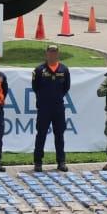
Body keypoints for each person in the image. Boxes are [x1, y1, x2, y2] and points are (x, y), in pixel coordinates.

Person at [31, 44, 71, 172]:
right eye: (50, 52)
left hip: (58, 108)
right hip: (44, 108)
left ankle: (61, 162)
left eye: (54, 52)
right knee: (41, 134)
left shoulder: (64, 69)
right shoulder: (39, 70)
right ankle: (38, 162)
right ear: (46, 54)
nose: (52, 54)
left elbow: (66, 87)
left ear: (58, 54)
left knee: (59, 135)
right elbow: (35, 87)